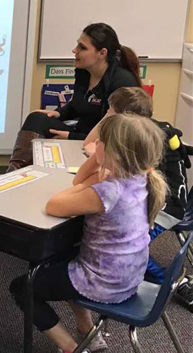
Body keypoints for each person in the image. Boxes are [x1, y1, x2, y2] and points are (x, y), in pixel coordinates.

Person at [10, 114, 167, 353]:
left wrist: (93, 172)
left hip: (103, 283)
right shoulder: (142, 179)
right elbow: (80, 184)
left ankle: (72, 348)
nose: (94, 145)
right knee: (61, 255)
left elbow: (54, 203)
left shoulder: (109, 191)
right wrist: (99, 160)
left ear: (115, 153)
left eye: (100, 143)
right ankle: (87, 331)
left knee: (22, 287)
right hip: (130, 277)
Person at [83, 87, 193, 302]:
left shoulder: (140, 141)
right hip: (160, 200)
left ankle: (172, 281)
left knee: (129, 243)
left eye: (110, 112)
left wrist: (101, 142)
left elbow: (97, 152)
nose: (106, 115)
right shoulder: (144, 131)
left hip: (166, 207)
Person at [7, 23, 141, 172]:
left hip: (103, 143)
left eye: (82, 48)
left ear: (102, 53)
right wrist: (60, 113)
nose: (74, 50)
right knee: (37, 118)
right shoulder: (84, 71)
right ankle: (15, 173)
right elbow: (78, 103)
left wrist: (72, 136)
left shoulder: (123, 83)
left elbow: (116, 131)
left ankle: (17, 174)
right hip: (80, 134)